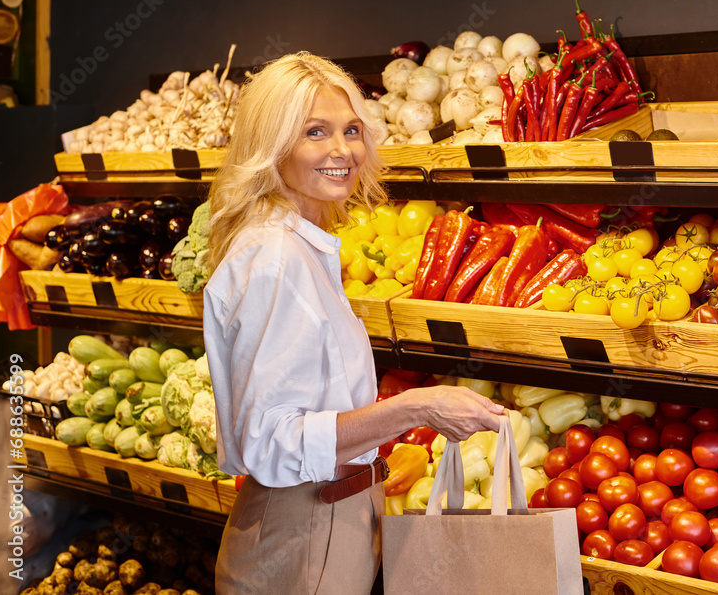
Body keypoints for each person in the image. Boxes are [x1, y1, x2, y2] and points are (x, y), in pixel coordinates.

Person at [203, 52, 506, 594]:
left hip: (328, 516)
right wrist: (417, 406)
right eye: (315, 132)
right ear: (272, 146)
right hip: (305, 523)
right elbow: (271, 441)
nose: (342, 150)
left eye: (351, 130)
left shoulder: (297, 245)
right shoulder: (277, 259)